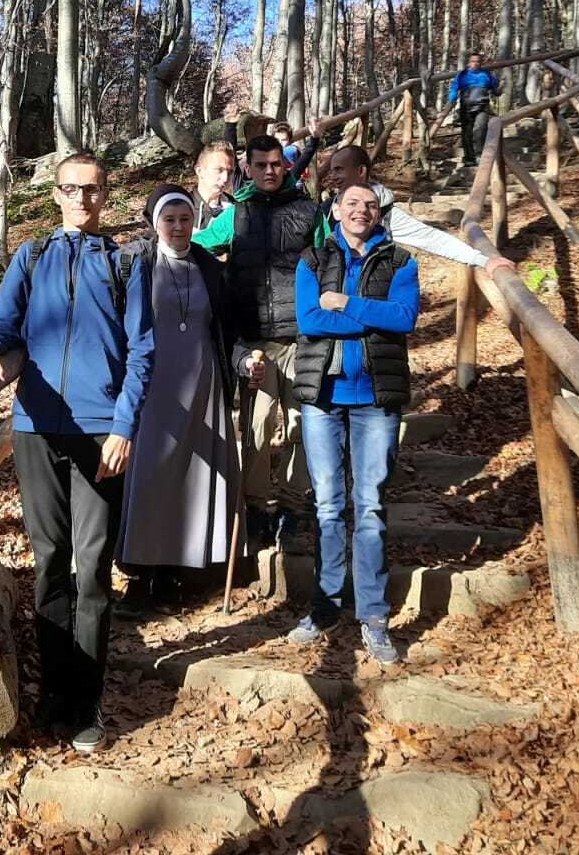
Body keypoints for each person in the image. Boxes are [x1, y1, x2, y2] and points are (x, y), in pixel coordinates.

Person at [0, 151, 153, 753]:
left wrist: (124, 426)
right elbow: (6, 324)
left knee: (92, 568)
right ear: (57, 194)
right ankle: (53, 694)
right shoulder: (31, 255)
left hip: (101, 433)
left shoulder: (125, 263)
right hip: (37, 428)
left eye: (92, 190)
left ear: (105, 195)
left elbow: (144, 352)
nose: (82, 200)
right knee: (50, 563)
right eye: (71, 189)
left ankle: (86, 700)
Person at [288, 184, 419, 664]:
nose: (360, 211)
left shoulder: (400, 261)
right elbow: (308, 320)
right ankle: (324, 606)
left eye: (369, 205)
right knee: (327, 505)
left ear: (378, 212)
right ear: (336, 211)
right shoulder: (313, 259)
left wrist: (344, 304)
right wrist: (370, 318)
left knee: (370, 507)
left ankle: (374, 614)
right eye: (351, 204)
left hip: (376, 397)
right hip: (323, 396)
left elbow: (405, 318)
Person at [192, 134, 330, 549]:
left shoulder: (309, 211)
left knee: (300, 425)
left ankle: (293, 507)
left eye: (276, 163)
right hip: (253, 341)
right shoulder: (236, 216)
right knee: (254, 429)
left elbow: (332, 261)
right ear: (247, 168)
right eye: (260, 164)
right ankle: (253, 510)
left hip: (302, 337)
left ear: (285, 165)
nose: (270, 170)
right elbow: (193, 246)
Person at [116, 185, 242, 612]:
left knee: (193, 474)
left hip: (201, 381)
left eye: (185, 219)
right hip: (152, 382)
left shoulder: (209, 266)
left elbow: (225, 325)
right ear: (155, 224)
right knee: (151, 473)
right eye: (169, 220)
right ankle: (142, 571)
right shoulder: (137, 262)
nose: (178, 227)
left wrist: (241, 365)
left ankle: (182, 571)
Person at [320, 143, 514, 278]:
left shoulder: (383, 214)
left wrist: (483, 260)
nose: (333, 176)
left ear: (361, 171)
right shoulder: (329, 208)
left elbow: (431, 238)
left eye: (339, 170)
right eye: (332, 170)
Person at [446, 54, 501, 166]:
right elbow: (454, 88)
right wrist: (451, 99)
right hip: (466, 106)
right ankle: (469, 158)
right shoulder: (462, 75)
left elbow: (495, 88)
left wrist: (498, 90)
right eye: (473, 61)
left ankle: (479, 155)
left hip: (482, 106)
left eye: (478, 61)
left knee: (480, 130)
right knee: (467, 133)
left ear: (481, 63)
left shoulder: (486, 75)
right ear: (469, 62)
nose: (475, 63)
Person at [192, 141, 237, 230]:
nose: (225, 178)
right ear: (199, 171)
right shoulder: (184, 208)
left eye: (230, 172)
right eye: (219, 170)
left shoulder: (235, 207)